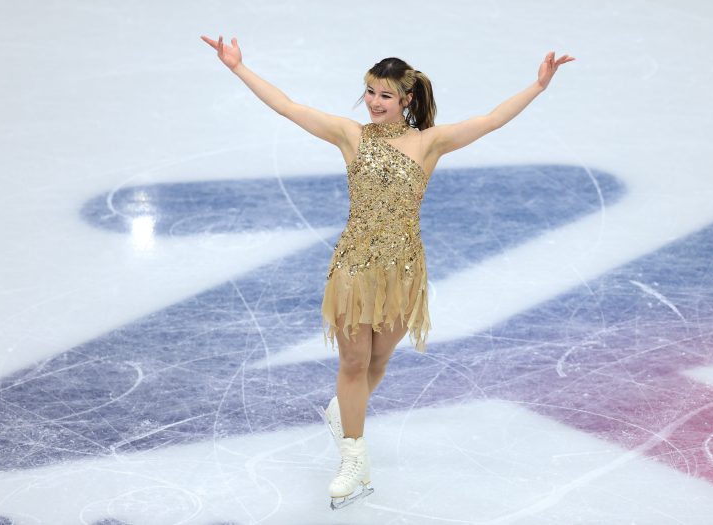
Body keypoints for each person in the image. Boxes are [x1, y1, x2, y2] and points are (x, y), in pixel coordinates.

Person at [201, 34, 574, 509]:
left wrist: (537, 86)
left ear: (407, 99)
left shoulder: (429, 143)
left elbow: (491, 120)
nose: (375, 103)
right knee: (354, 361)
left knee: (379, 360)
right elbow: (287, 106)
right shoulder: (349, 135)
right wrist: (237, 67)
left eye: (385, 95)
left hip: (404, 269)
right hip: (356, 266)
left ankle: (343, 412)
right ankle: (353, 454)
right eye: (371, 92)